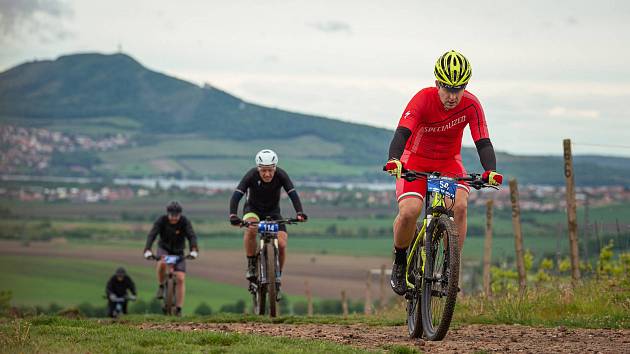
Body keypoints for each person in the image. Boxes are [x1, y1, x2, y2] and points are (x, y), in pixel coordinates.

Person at [384, 50, 503, 295]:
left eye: (458, 89)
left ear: (465, 86)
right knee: (410, 211)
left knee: (459, 206)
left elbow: (483, 141)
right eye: (447, 88)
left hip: (449, 164)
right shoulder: (422, 99)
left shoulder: (472, 104)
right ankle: (400, 260)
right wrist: (394, 160)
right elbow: (402, 132)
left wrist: (490, 171)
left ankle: (451, 267)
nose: (452, 96)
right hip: (414, 160)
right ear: (437, 83)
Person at [228, 149, 307, 298]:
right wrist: (233, 215)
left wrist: (299, 212)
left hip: (273, 213)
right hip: (253, 210)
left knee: (282, 244)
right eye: (263, 170)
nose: (267, 174)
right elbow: (236, 196)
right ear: (258, 168)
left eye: (270, 170)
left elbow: (293, 194)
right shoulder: (251, 175)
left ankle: (276, 277)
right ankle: (252, 264)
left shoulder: (281, 175)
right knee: (251, 229)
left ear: (275, 168)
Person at [143, 200, 198, 316]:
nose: (174, 218)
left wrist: (194, 250)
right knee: (162, 262)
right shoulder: (161, 220)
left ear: (180, 215)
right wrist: (147, 249)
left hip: (178, 252)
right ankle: (161, 285)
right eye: (172, 216)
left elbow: (191, 235)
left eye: (176, 216)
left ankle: (178, 308)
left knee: (181, 278)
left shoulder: (184, 221)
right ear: (167, 214)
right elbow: (152, 235)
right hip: (164, 248)